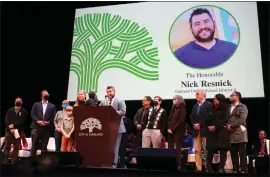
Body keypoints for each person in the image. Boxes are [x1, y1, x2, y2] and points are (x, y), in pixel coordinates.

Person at [99, 86, 126, 168]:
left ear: (114, 92)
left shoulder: (120, 101)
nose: (108, 93)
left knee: (115, 147)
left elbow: (123, 112)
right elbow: (99, 110)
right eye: (107, 92)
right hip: (106, 128)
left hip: (117, 128)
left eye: (110, 91)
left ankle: (114, 164)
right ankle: (106, 163)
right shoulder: (104, 101)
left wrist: (112, 113)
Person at [205, 94, 230, 173]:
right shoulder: (211, 108)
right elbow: (207, 119)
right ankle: (208, 167)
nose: (214, 100)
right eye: (214, 99)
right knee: (210, 149)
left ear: (221, 100)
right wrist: (209, 126)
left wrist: (215, 126)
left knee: (222, 150)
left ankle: (221, 168)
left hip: (221, 131)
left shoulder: (226, 108)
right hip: (212, 132)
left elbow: (225, 120)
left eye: (216, 99)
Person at [190, 89, 212, 172]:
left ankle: (207, 167)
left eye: (197, 94)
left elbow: (208, 117)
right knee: (197, 150)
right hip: (196, 130)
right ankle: (198, 168)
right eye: (196, 94)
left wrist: (200, 124)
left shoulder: (209, 105)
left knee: (206, 149)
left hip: (205, 130)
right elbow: (191, 117)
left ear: (203, 95)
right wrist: (194, 124)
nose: (196, 96)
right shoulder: (195, 106)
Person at [227, 91, 248, 174]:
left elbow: (242, 119)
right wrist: (227, 126)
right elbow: (226, 118)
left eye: (232, 95)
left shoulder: (242, 106)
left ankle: (243, 170)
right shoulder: (229, 106)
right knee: (233, 152)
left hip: (240, 133)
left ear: (237, 96)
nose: (231, 96)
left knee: (242, 152)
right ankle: (235, 169)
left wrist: (231, 126)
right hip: (230, 133)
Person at [30, 90, 56, 156]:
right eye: (45, 94)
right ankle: (31, 161)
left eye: (47, 94)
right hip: (36, 127)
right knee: (34, 145)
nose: (46, 95)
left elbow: (54, 117)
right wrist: (38, 121)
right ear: (41, 96)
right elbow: (32, 114)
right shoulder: (36, 104)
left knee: (43, 146)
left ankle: (42, 163)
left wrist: (48, 122)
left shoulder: (52, 106)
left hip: (46, 128)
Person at [3, 97, 28, 164]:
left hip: (18, 131)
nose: (18, 102)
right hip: (9, 131)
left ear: (21, 103)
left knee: (16, 147)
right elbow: (7, 120)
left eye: (19, 101)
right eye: (17, 101)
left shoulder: (24, 112)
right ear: (14, 102)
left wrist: (13, 126)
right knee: (7, 146)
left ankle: (13, 161)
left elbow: (22, 121)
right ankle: (4, 161)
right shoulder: (10, 110)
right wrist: (11, 128)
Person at [167, 95, 186, 170]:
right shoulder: (173, 107)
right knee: (170, 148)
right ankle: (170, 164)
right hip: (170, 130)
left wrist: (172, 129)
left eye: (174, 99)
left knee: (178, 148)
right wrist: (168, 128)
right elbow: (169, 119)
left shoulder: (182, 108)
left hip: (178, 131)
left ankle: (178, 165)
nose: (173, 100)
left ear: (179, 99)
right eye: (173, 99)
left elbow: (180, 121)